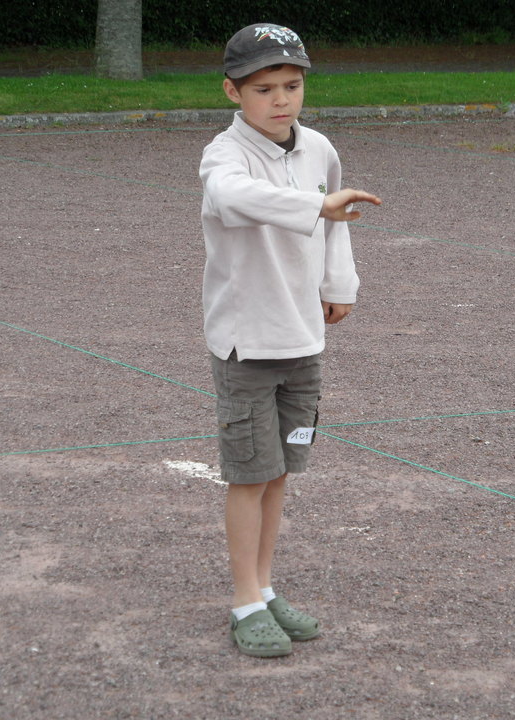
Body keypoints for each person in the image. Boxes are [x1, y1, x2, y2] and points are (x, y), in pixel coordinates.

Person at [199, 23, 381, 658]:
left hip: (304, 341)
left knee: (279, 475)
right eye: (263, 88)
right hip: (247, 345)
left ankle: (267, 587)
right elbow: (235, 197)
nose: (281, 99)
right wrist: (314, 206)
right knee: (249, 477)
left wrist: (341, 284)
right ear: (233, 92)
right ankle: (245, 601)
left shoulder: (319, 149)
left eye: (293, 85)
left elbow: (336, 228)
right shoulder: (224, 157)